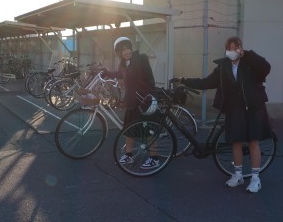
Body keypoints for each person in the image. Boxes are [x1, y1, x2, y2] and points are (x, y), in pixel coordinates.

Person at [177, 36, 271, 193]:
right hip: (234, 108)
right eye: (229, 48)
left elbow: (265, 68)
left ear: (240, 48)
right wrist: (185, 80)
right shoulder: (223, 66)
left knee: (253, 143)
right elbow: (207, 82)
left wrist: (248, 54)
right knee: (236, 142)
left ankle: (255, 179)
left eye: (235, 48)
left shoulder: (249, 62)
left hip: (253, 108)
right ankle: (238, 175)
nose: (232, 51)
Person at [104, 36, 159, 169]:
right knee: (129, 130)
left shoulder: (141, 59)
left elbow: (149, 79)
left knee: (149, 130)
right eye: (123, 50)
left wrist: (149, 96)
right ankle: (129, 155)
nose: (127, 51)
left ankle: (154, 158)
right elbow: (120, 74)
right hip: (131, 101)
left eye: (128, 48)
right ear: (119, 53)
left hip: (144, 100)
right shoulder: (122, 64)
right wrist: (106, 73)